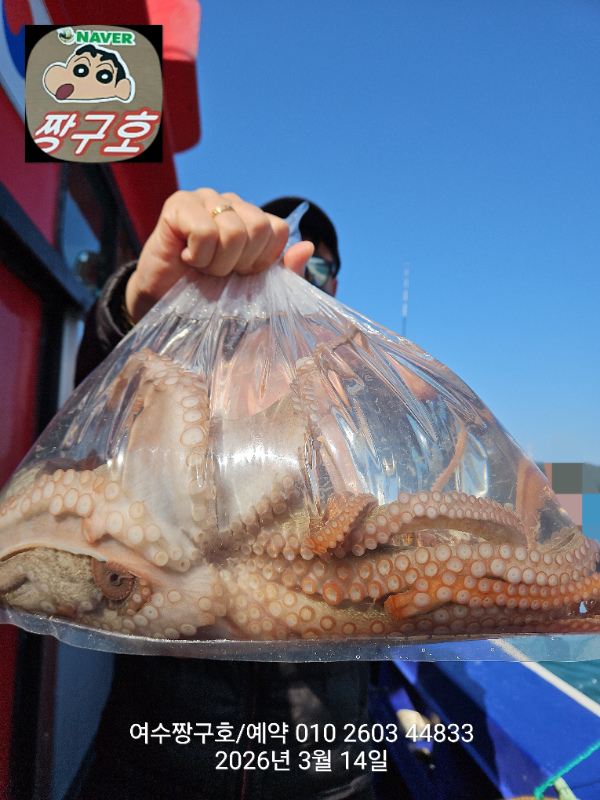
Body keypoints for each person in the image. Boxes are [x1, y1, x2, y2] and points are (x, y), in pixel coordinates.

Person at [69, 189, 375, 800]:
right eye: (279, 258)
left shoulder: (362, 392)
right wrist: (139, 312)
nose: (302, 276)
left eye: (320, 267)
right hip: (156, 765)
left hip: (323, 775)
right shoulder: (191, 367)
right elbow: (98, 414)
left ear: (335, 283)